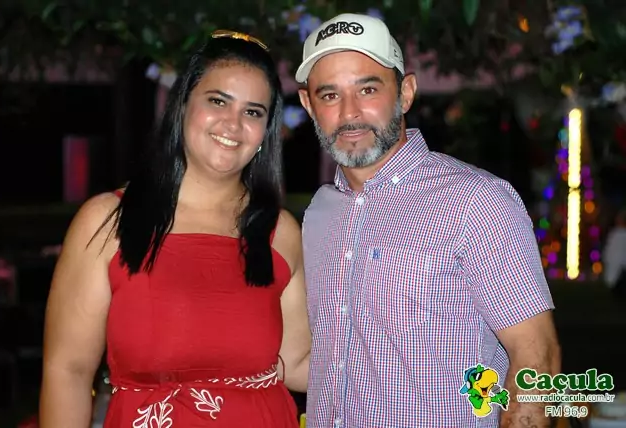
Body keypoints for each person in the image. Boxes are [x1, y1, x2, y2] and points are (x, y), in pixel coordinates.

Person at [295, 13, 561, 428]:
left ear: (405, 93)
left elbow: (536, 358)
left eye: (368, 89)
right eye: (329, 95)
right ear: (308, 105)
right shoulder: (319, 214)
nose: (349, 113)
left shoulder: (475, 202)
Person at [40, 30, 311, 428]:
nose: (233, 123)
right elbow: (68, 371)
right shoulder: (107, 222)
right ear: (183, 105)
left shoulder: (279, 231)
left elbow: (297, 363)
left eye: (253, 112)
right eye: (218, 101)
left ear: (265, 132)